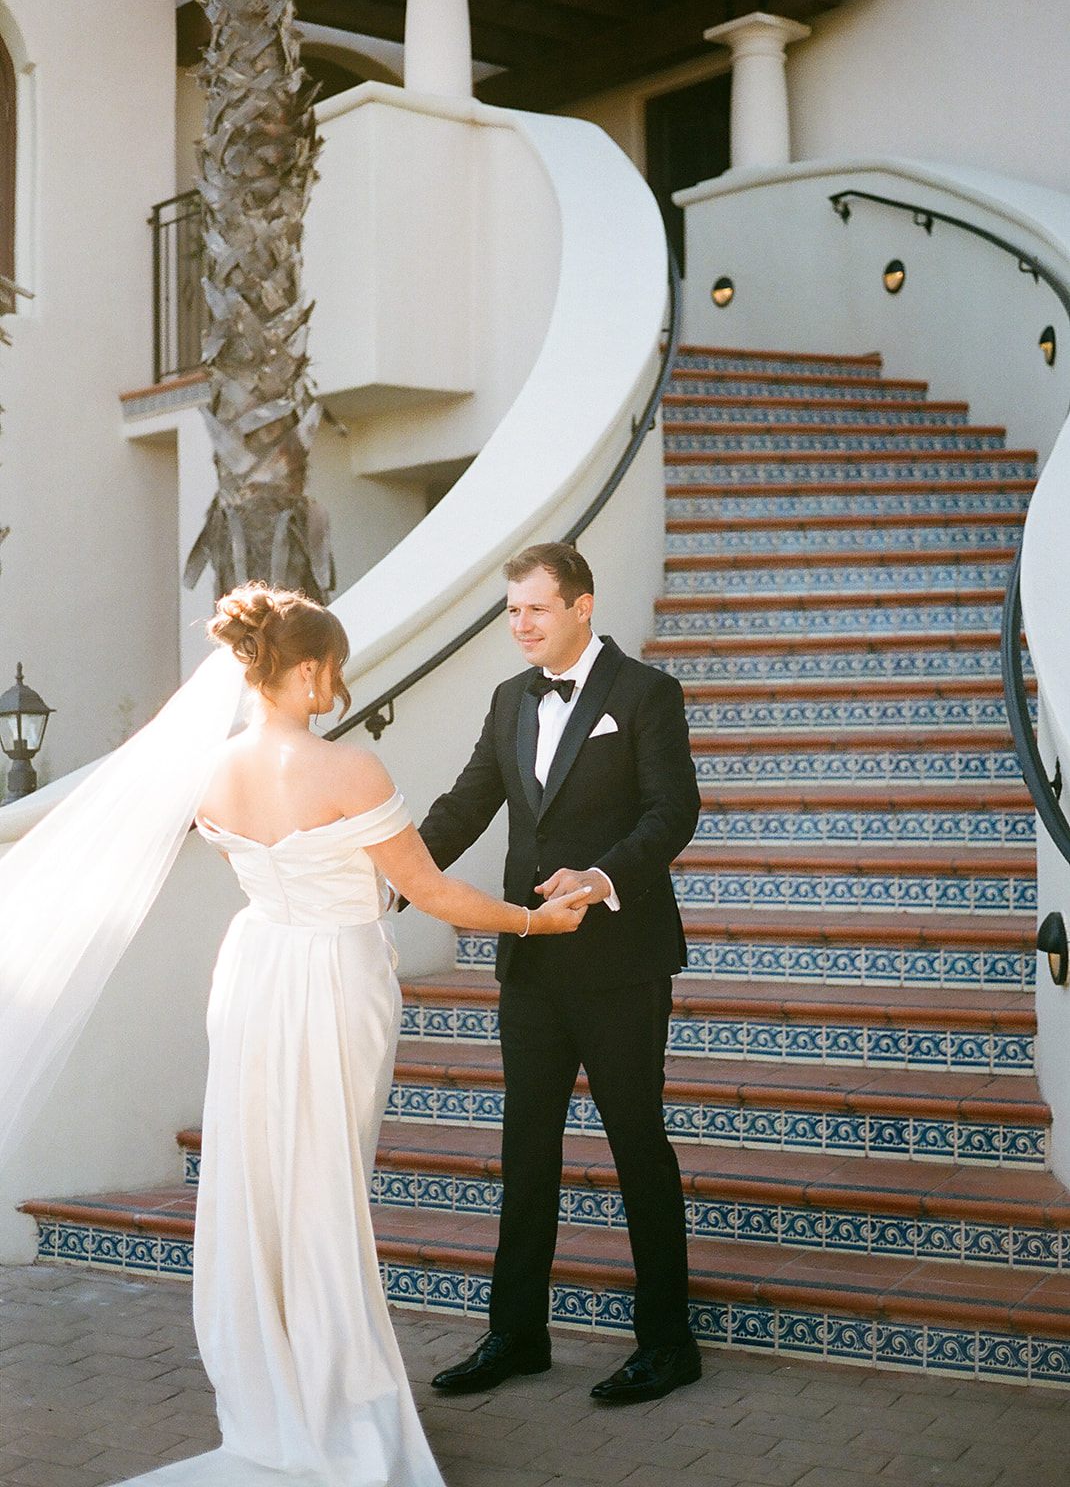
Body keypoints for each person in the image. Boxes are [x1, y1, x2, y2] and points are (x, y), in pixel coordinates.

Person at [129, 584, 589, 1487]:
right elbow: (435, 893)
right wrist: (537, 926)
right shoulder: (350, 770)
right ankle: (335, 1392)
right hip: (334, 978)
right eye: (332, 668)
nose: (337, 685)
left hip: (257, 968)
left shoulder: (213, 768)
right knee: (327, 1181)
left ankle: (278, 1388)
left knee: (263, 1180)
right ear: (306, 669)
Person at [416, 543, 702, 1406]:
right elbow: (468, 803)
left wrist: (603, 875)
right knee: (526, 1151)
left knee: (636, 1148)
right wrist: (400, 877)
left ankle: (667, 1342)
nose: (520, 625)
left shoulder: (646, 693)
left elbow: (673, 809)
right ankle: (517, 1334)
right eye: (511, 611)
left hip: (620, 962)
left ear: (581, 604)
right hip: (531, 964)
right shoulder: (510, 699)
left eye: (534, 609)